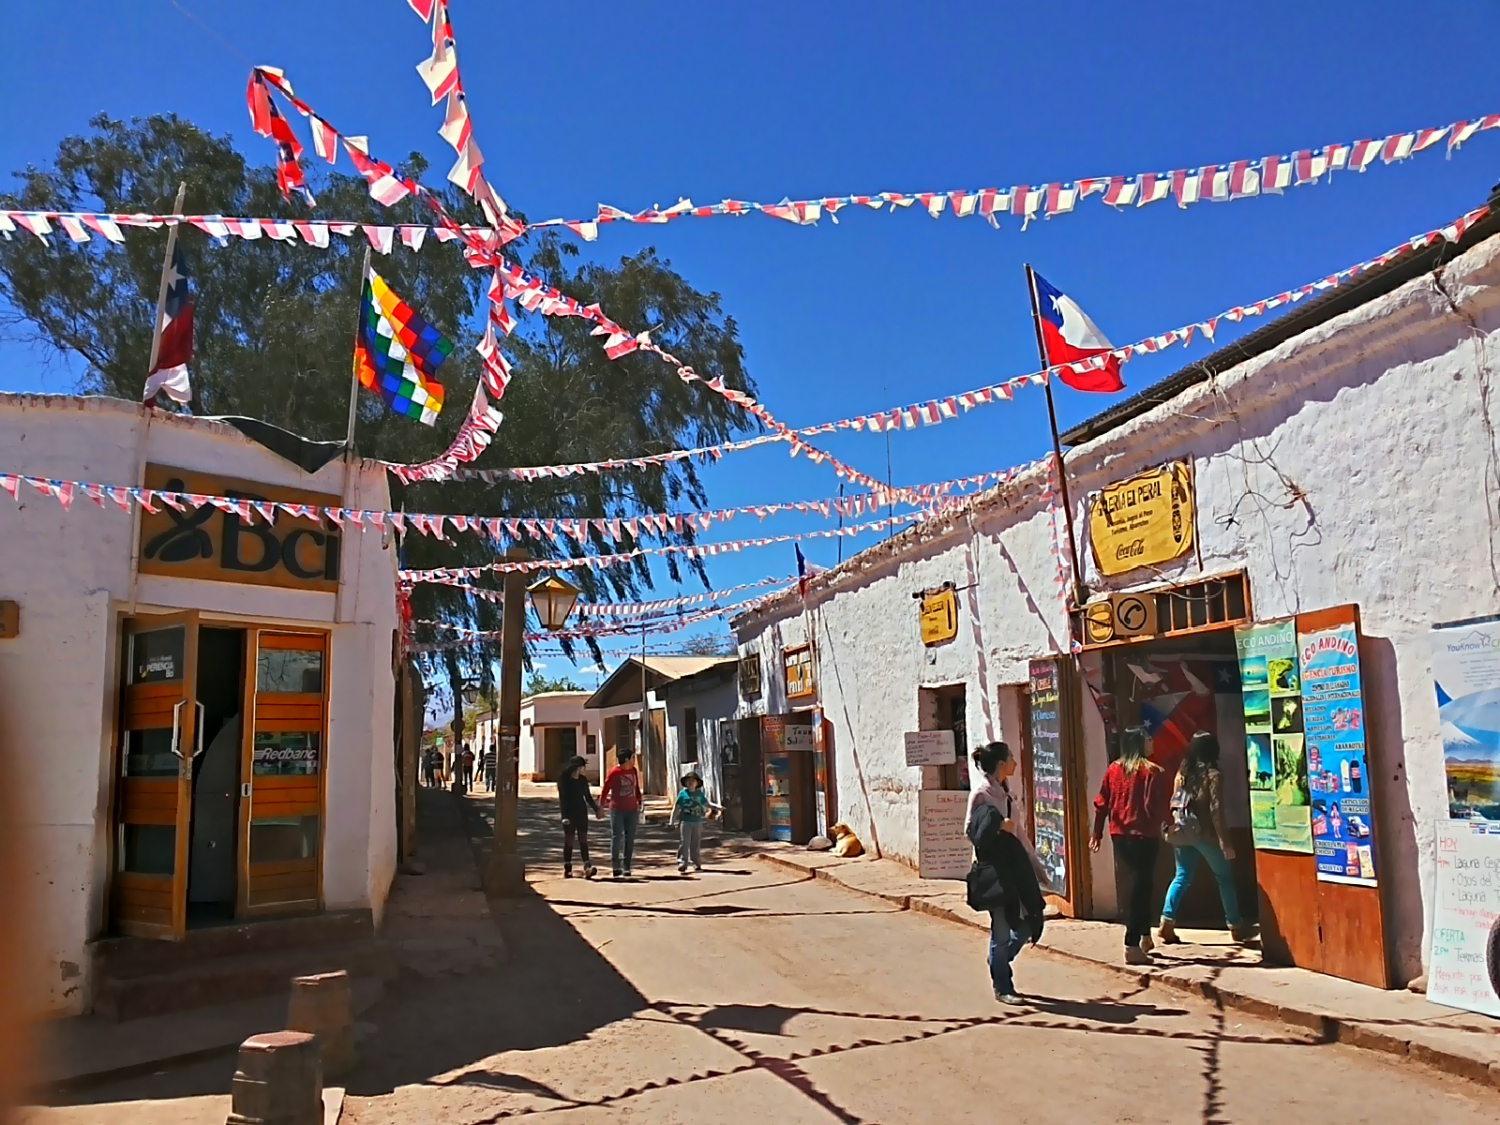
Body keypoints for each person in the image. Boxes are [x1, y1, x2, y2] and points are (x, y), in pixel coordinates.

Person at [966, 741, 1045, 1004]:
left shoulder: (1007, 796)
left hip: (1016, 869)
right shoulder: (981, 795)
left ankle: (997, 960)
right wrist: (998, 826)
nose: (1015, 762)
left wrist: (1036, 865)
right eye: (1011, 757)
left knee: (1028, 923)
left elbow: (1020, 834)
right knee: (1000, 931)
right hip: (995, 873)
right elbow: (970, 831)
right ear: (1002, 764)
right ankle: (1003, 986)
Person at [1160, 731, 1255, 943]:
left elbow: (1174, 802)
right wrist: (1225, 842)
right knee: (1224, 878)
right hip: (1205, 834)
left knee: (1182, 876)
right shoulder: (1213, 775)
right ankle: (1235, 925)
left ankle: (1167, 921)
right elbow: (1216, 810)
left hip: (1182, 831)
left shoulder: (1182, 773)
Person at [1090, 726, 1165, 965]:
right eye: (1148, 738)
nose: (1152, 741)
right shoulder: (1152, 771)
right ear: (1139, 743)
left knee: (1141, 883)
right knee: (1141, 888)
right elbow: (1154, 807)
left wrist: (1097, 833)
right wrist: (1168, 824)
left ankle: (1144, 935)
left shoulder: (1113, 769)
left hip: (1120, 836)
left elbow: (1101, 802)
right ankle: (1132, 943)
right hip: (1145, 836)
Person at [600, 746, 643, 878]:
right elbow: (605, 789)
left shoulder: (633, 771)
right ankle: (616, 866)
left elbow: (636, 787)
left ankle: (627, 866)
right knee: (616, 836)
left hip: (632, 810)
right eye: (633, 758)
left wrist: (640, 801)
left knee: (630, 838)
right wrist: (600, 806)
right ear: (626, 760)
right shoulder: (615, 772)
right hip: (617, 810)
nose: (634, 760)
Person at [557, 754, 599, 879]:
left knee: (583, 840)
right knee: (569, 840)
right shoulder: (564, 780)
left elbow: (588, 797)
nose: (584, 769)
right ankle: (568, 868)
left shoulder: (583, 780)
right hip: (569, 814)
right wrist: (564, 816)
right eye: (583, 767)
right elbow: (563, 799)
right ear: (577, 767)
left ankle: (587, 866)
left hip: (581, 812)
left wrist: (596, 809)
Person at [670, 771, 720, 874]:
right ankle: (682, 862)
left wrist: (717, 807)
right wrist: (672, 822)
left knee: (695, 843)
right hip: (685, 822)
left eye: (693, 780)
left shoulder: (699, 794)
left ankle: (696, 863)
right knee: (684, 842)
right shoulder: (682, 794)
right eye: (689, 780)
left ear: (697, 783)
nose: (691, 782)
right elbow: (676, 808)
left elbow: (707, 804)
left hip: (697, 822)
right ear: (685, 783)